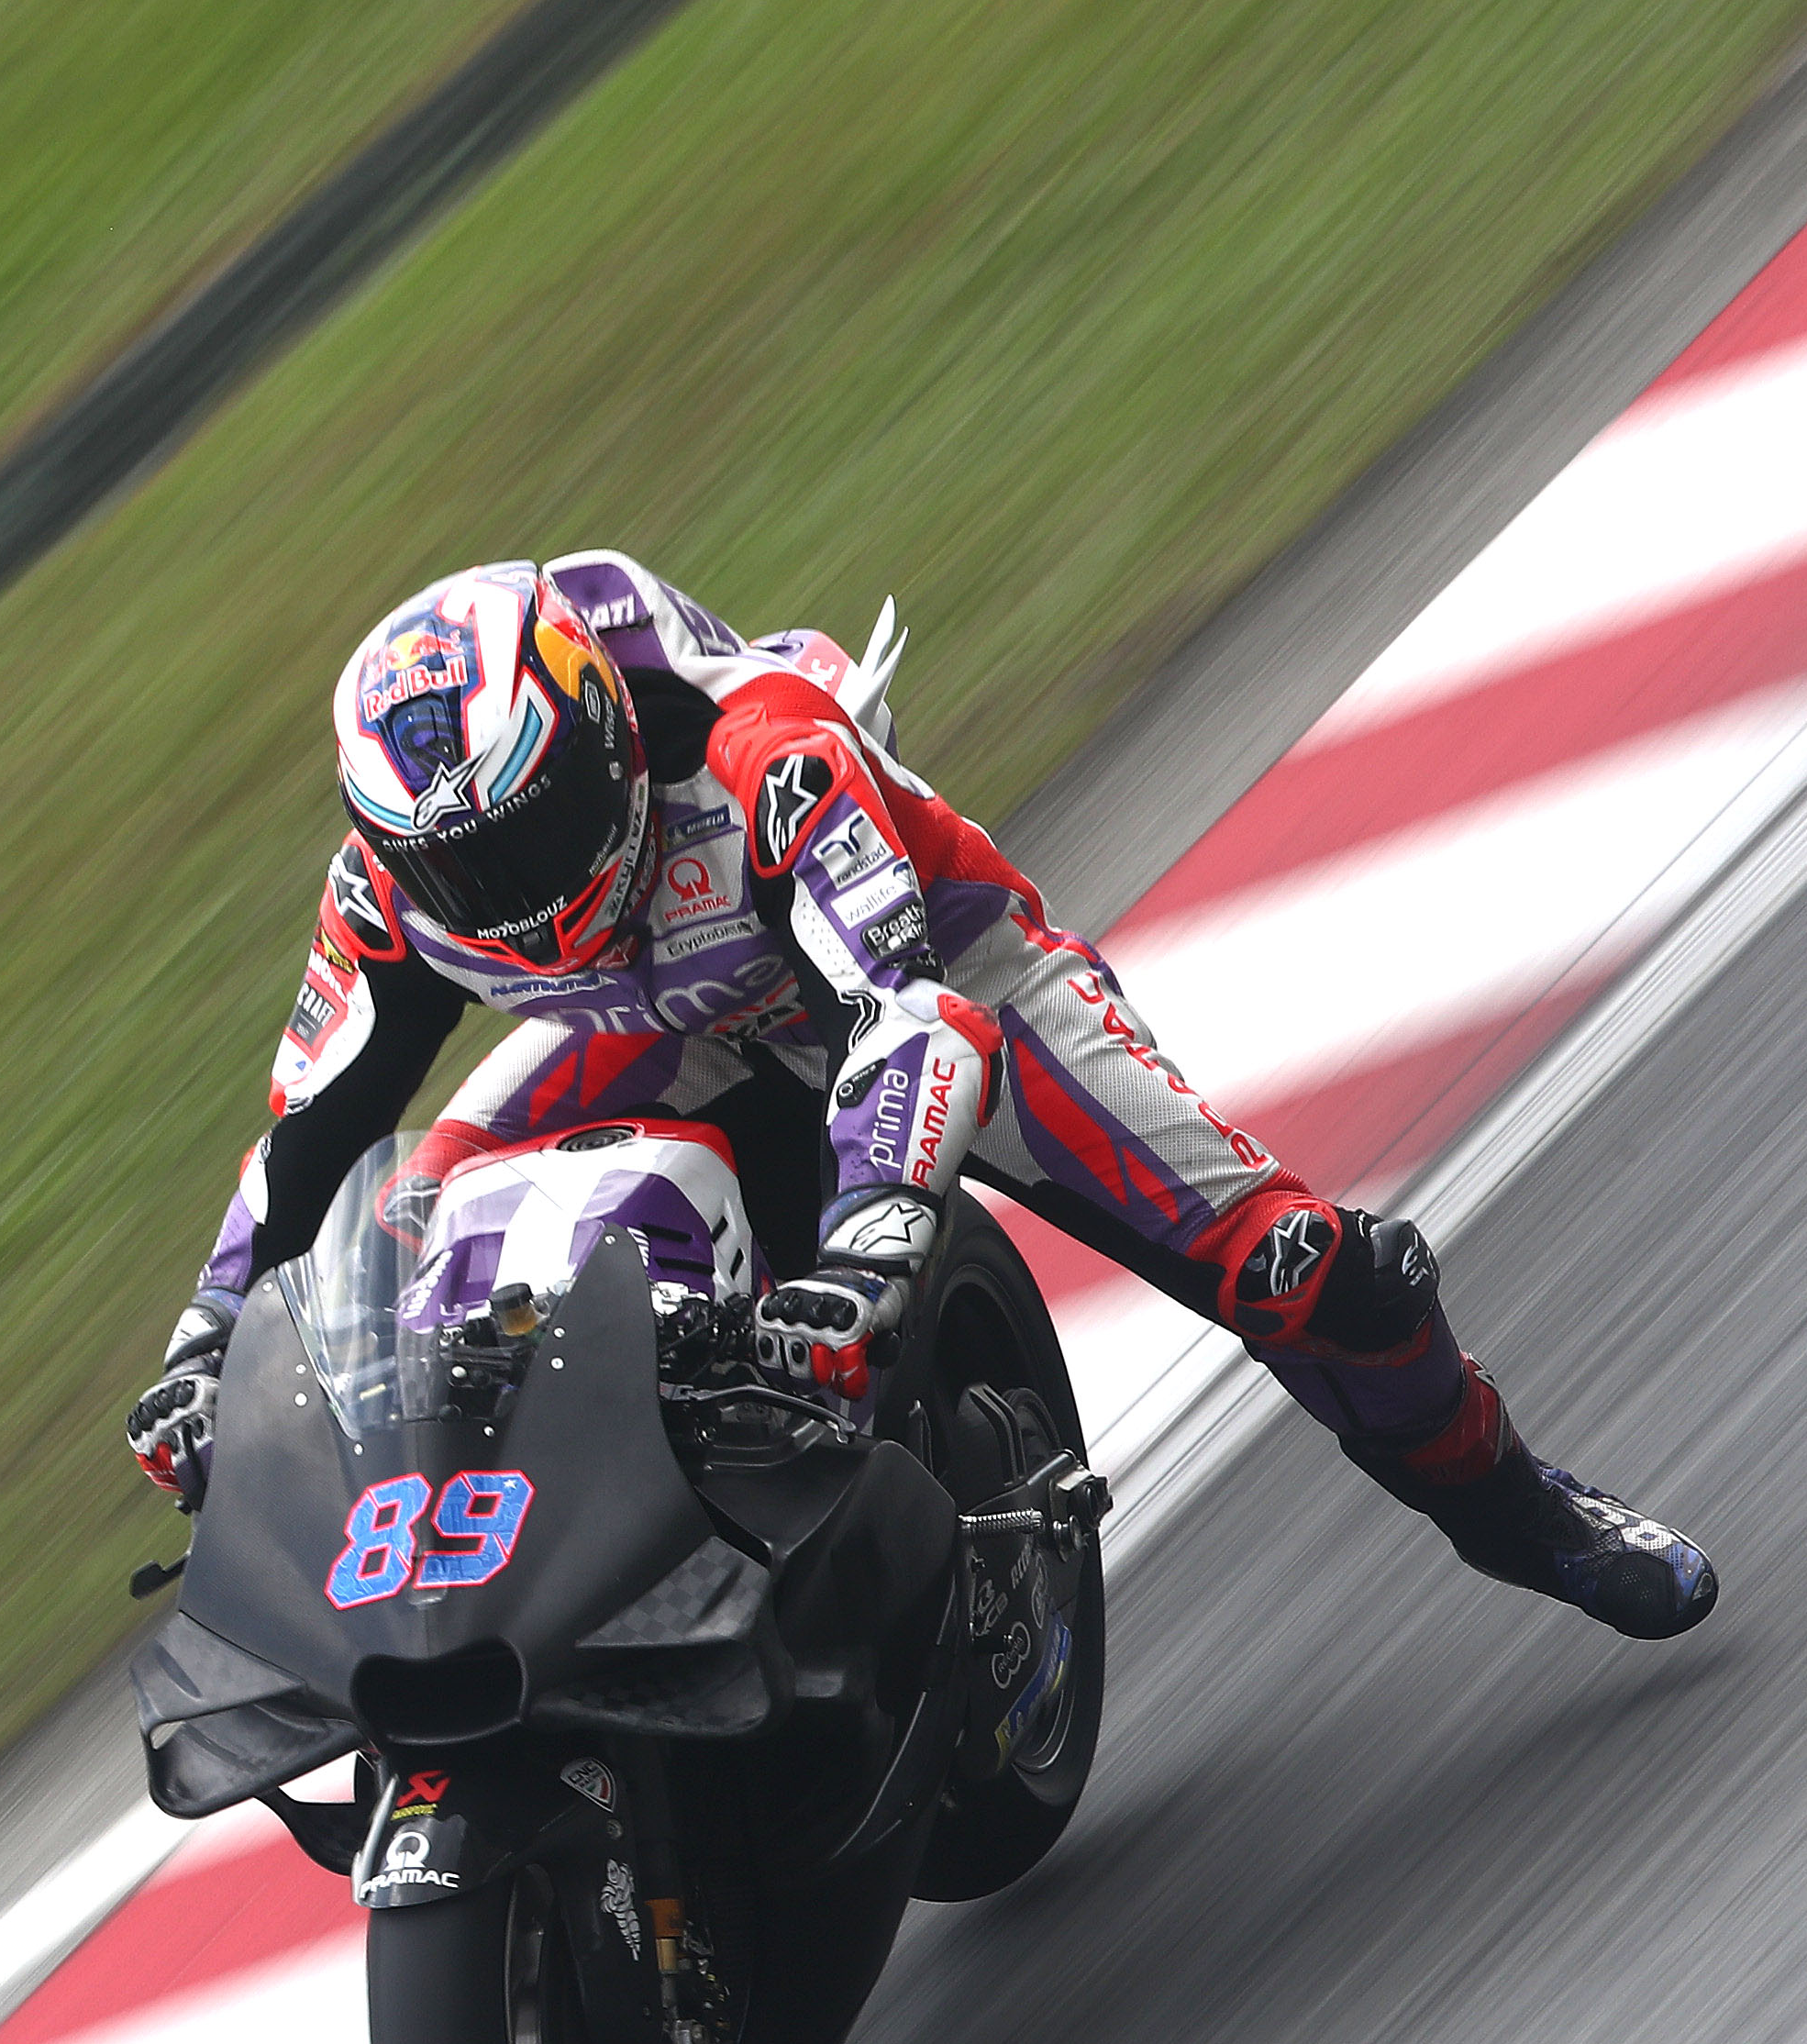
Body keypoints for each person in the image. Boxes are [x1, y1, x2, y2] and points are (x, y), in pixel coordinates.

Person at [122, 552, 1714, 1638]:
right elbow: (312, 1138)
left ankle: (1523, 1510)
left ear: (602, 740)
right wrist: (212, 1356)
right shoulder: (386, 898)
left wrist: (874, 1243)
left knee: (1301, 1271)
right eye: (455, 865)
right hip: (654, 1024)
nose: (505, 891)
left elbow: (904, 1016)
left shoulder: (764, 753)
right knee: (418, 1215)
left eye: (530, 835)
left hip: (935, 987)